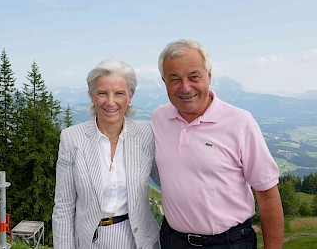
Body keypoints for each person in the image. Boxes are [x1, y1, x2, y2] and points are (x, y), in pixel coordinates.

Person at [151, 39, 284, 249]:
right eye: (174, 79)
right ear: (164, 81)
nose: (185, 87)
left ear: (209, 76)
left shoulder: (240, 122)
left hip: (229, 243)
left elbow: (267, 195)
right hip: (173, 240)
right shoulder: (159, 118)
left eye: (194, 76)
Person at [52, 58, 160, 249]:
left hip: (138, 240)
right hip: (90, 241)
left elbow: (169, 182)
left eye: (119, 93)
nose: (111, 102)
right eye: (102, 93)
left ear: (130, 95)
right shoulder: (72, 138)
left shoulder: (146, 134)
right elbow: (64, 208)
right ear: (92, 96)